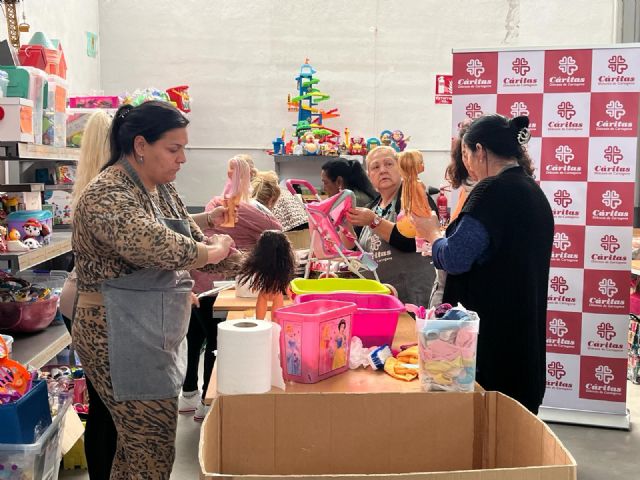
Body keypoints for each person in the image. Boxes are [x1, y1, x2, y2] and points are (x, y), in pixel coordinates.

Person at [72, 101, 239, 479]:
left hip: (151, 327)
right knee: (150, 445)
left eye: (183, 149)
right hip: (114, 331)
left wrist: (261, 262)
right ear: (141, 145)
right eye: (173, 149)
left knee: (138, 447)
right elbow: (154, 245)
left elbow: (198, 243)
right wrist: (209, 250)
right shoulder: (107, 192)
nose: (182, 159)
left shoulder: (162, 190)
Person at [412, 114, 553, 414]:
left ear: (480, 151)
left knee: (486, 435)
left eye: (466, 155)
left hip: (489, 349)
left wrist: (432, 233)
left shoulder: (492, 192)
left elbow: (456, 258)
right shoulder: (533, 192)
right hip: (520, 343)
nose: (467, 164)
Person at [182, 157, 282, 421]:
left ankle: (189, 394)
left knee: (195, 338)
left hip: (199, 281)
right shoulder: (251, 210)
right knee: (218, 341)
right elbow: (277, 231)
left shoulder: (215, 203)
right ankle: (207, 401)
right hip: (223, 285)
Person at [59, 110, 117, 480]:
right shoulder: (110, 190)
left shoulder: (89, 184)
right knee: (109, 409)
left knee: (102, 405)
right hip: (90, 303)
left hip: (74, 297)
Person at [346, 146, 435, 306]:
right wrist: (343, 225)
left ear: (400, 167)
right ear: (369, 175)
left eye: (388, 164)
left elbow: (409, 242)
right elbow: (356, 250)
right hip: (381, 298)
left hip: (413, 299)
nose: (382, 170)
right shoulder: (372, 206)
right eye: (375, 167)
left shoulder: (413, 195)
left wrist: (374, 221)